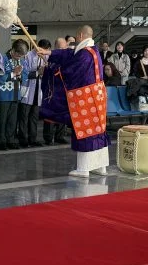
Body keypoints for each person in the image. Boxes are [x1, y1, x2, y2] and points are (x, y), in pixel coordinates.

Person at [37, 25, 109, 178]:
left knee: (84, 132)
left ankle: (83, 169)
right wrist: (48, 52)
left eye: (77, 36)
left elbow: (68, 71)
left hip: (85, 99)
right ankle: (100, 166)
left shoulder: (84, 55)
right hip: (97, 98)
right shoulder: (93, 51)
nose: (76, 39)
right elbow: (68, 54)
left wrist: (51, 69)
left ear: (81, 35)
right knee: (97, 130)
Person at [0, 40, 29, 150]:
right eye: (18, 55)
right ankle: (1, 140)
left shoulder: (21, 61)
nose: (19, 58)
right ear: (13, 50)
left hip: (15, 92)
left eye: (21, 56)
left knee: (13, 119)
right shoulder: (3, 58)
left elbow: (25, 74)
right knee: (2, 119)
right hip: (4, 93)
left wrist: (20, 74)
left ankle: (11, 139)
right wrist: (14, 73)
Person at [39, 39, 68, 145]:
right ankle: (48, 137)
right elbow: (47, 75)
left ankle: (59, 136)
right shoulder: (51, 58)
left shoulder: (68, 59)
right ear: (56, 47)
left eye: (64, 48)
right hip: (51, 90)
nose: (62, 50)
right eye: (60, 48)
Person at [19, 41, 46, 147]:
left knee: (34, 117)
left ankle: (33, 138)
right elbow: (24, 73)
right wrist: (37, 73)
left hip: (38, 90)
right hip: (27, 89)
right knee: (24, 116)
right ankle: (23, 139)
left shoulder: (45, 58)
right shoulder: (28, 56)